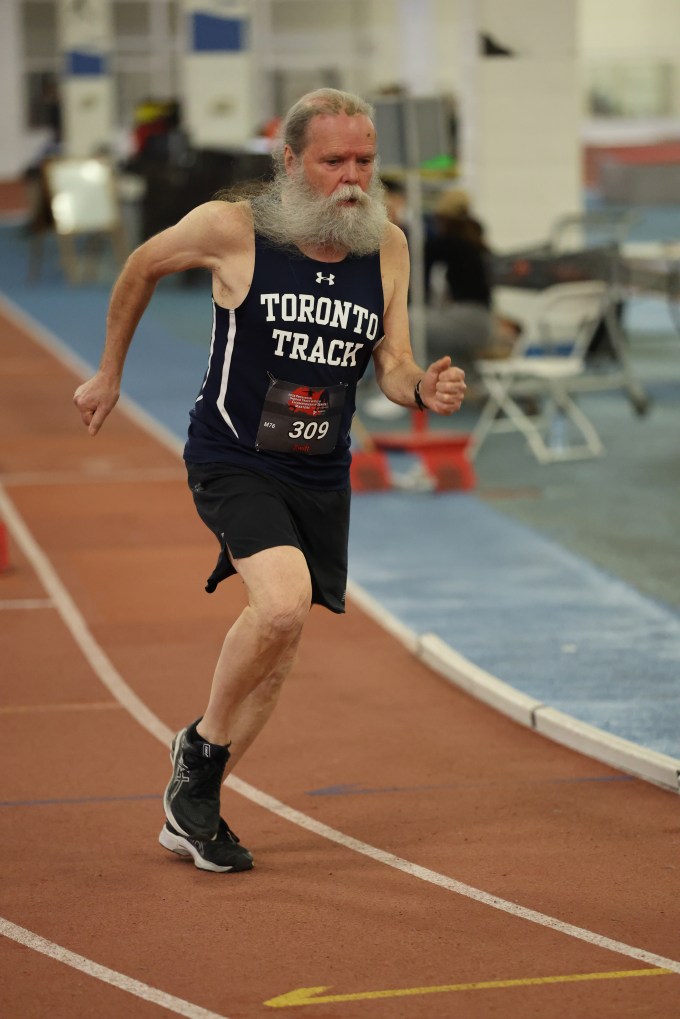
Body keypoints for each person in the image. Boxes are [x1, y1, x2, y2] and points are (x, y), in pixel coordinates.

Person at [73, 88, 466, 874]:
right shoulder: (234, 229)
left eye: (364, 160)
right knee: (282, 603)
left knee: (278, 648)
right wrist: (108, 372)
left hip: (320, 470)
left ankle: (195, 803)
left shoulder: (386, 244)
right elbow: (142, 265)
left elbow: (391, 363)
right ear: (289, 161)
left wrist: (422, 388)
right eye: (333, 161)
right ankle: (197, 750)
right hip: (234, 456)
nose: (352, 177)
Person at [425, 187, 519, 380]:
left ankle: (419, 383)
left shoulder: (447, 242)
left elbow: (419, 269)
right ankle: (468, 383)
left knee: (407, 324)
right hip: (483, 320)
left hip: (469, 321)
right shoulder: (476, 238)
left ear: (442, 216)